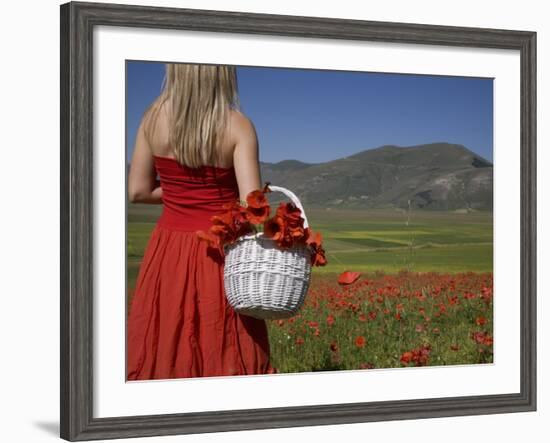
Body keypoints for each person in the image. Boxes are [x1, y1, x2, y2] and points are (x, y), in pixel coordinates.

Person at [126, 63, 273, 380]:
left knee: (165, 338)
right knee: (224, 341)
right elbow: (252, 206)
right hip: (220, 253)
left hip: (168, 251)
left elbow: (137, 191)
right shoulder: (237, 126)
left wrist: (183, 193)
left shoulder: (152, 118)